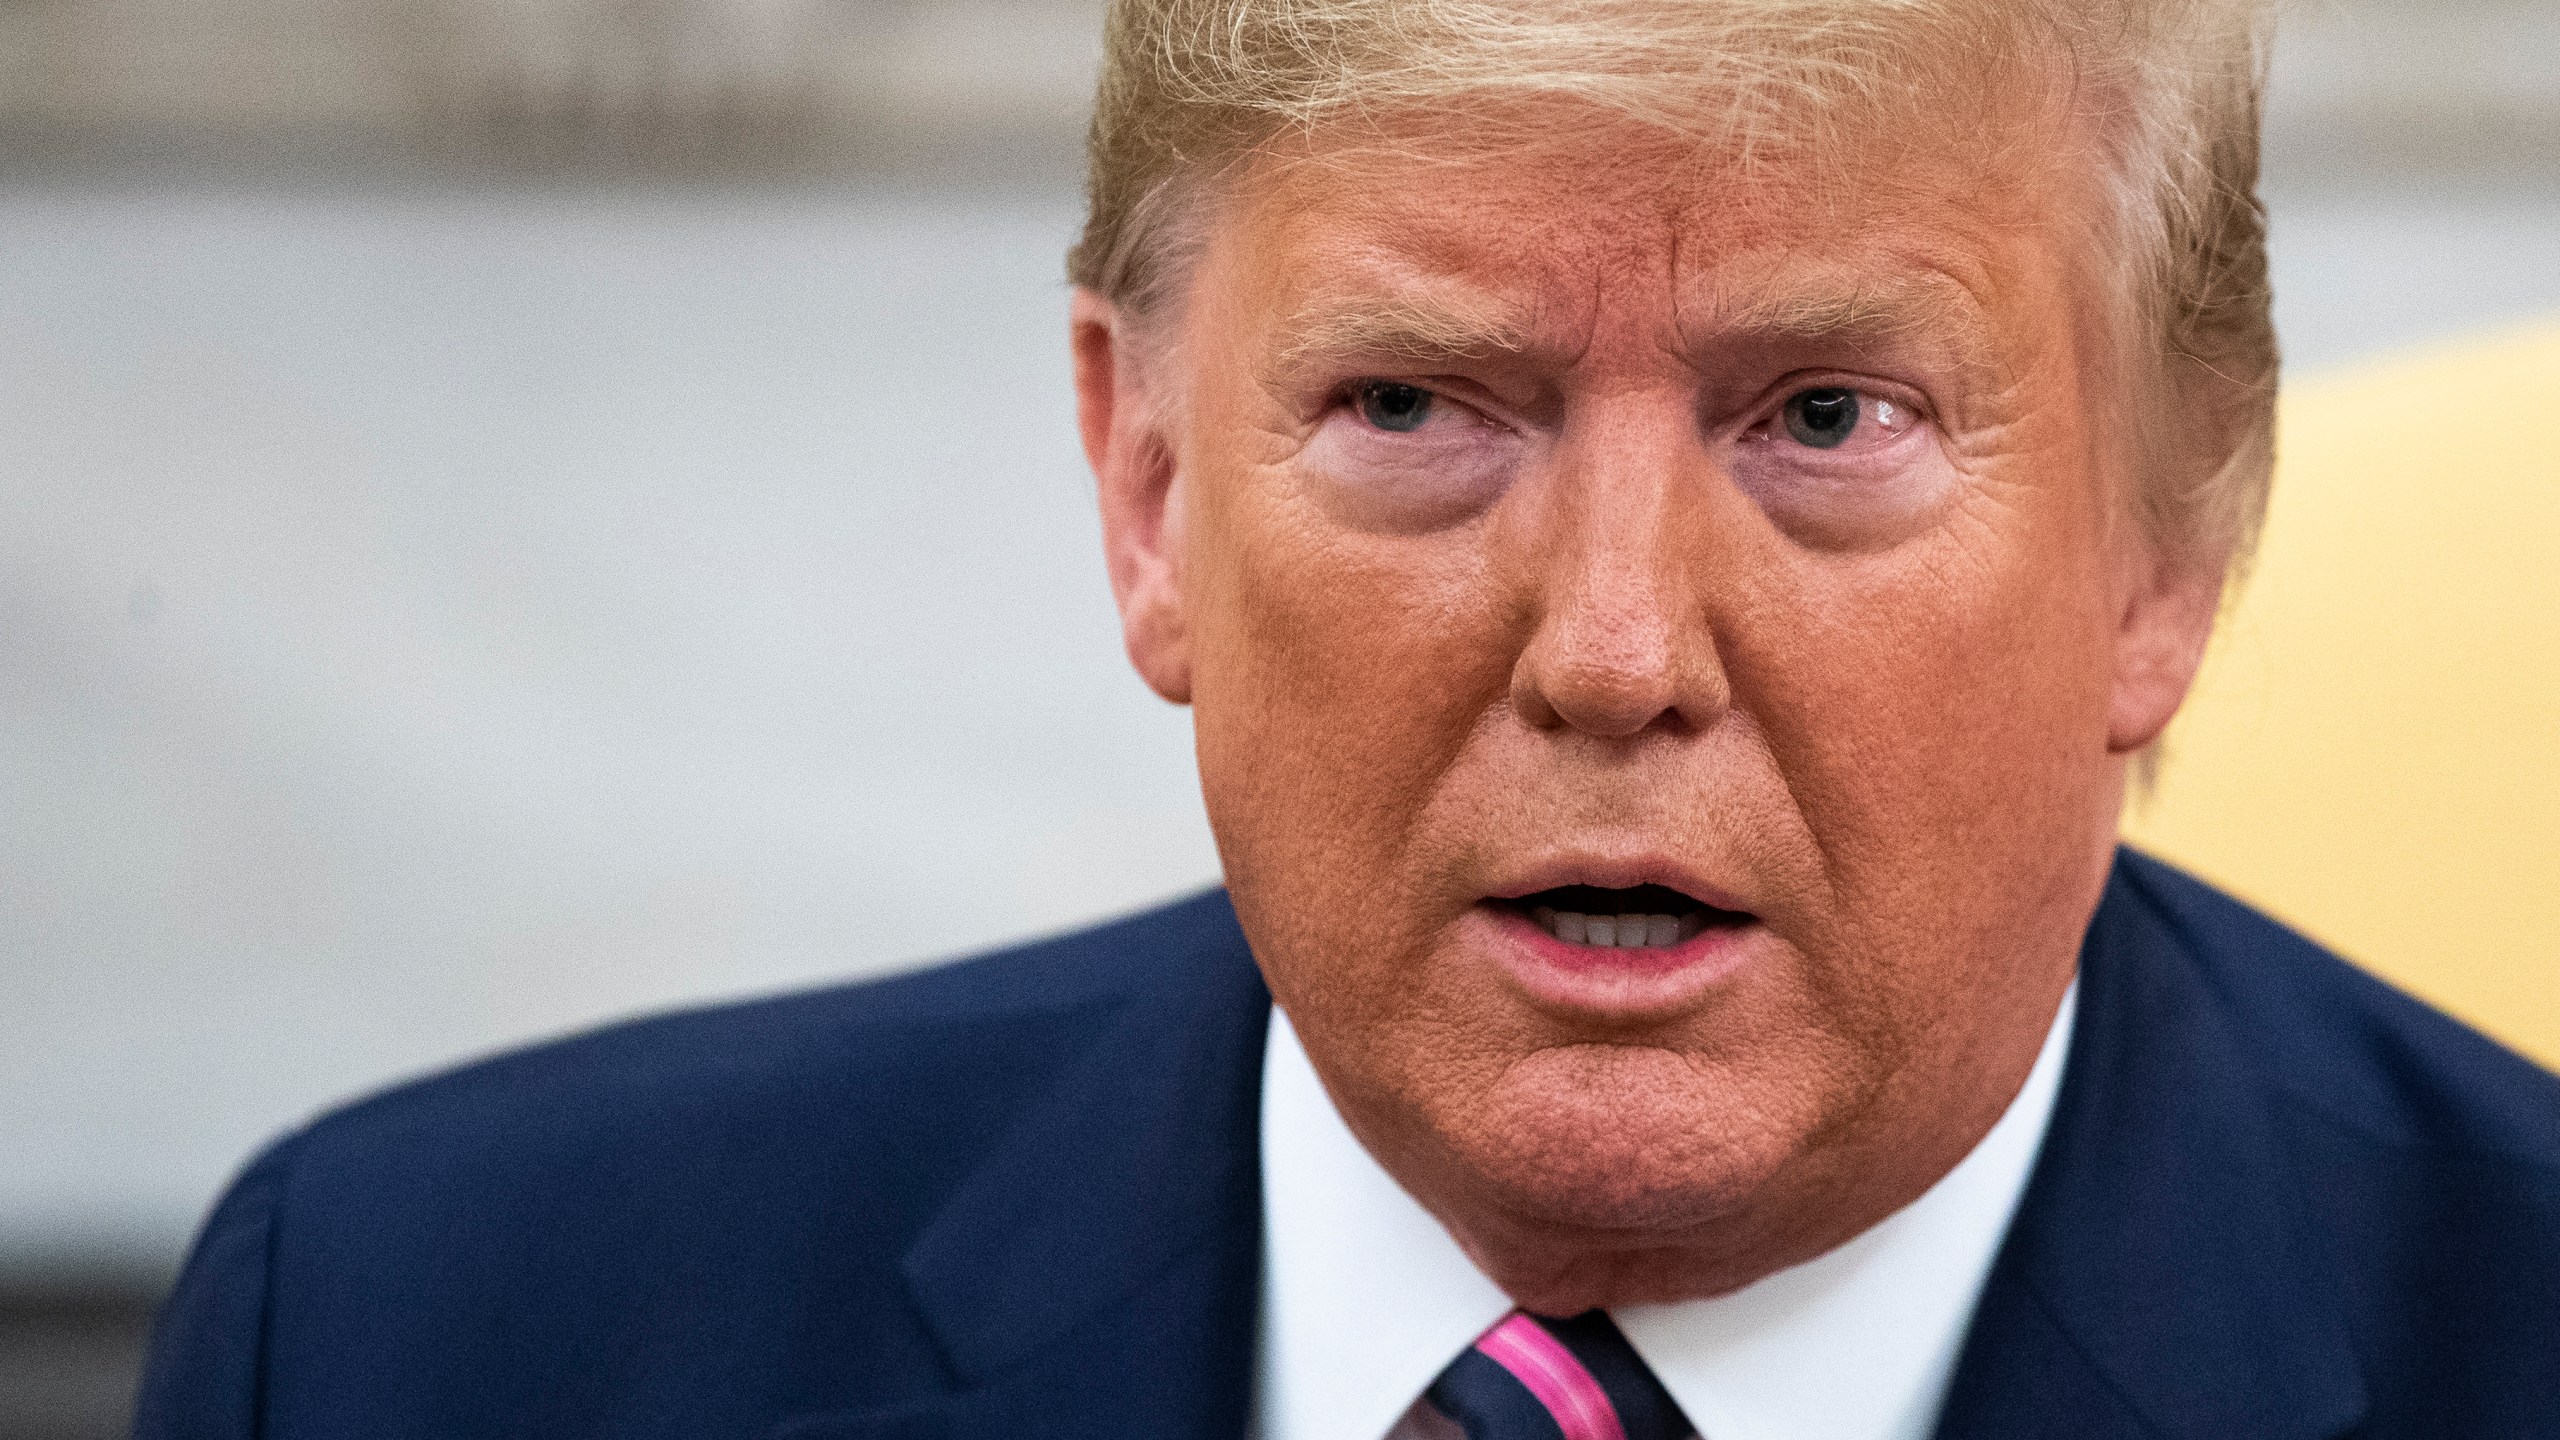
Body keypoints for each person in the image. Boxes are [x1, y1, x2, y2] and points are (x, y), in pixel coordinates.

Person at [134, 1, 2560, 1436]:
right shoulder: (422, 1337)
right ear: (1147, 484)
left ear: (2171, 544)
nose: (1612, 650)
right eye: (1414, 405)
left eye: (1823, 418)